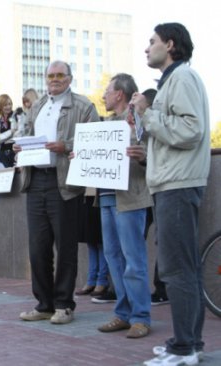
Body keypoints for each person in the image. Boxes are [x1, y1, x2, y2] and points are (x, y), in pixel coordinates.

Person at [130, 23, 210, 366]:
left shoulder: (182, 79)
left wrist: (147, 115)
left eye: (153, 42)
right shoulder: (172, 81)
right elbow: (174, 137)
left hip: (178, 186)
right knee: (182, 268)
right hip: (172, 183)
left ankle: (185, 348)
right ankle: (187, 342)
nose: (147, 48)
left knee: (178, 269)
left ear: (171, 44)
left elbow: (191, 130)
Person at [16, 60, 99, 324]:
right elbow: (26, 133)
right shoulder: (38, 105)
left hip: (64, 182)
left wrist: (66, 145)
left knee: (65, 246)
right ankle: (44, 304)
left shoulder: (83, 106)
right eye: (50, 75)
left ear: (70, 78)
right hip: (35, 180)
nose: (54, 79)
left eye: (60, 74)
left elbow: (95, 139)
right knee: (38, 247)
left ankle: (64, 304)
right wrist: (20, 146)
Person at [96, 73, 153, 339]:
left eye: (107, 91)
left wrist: (143, 157)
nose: (104, 95)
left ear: (119, 94)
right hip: (106, 196)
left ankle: (141, 317)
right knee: (114, 259)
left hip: (130, 197)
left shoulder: (136, 121)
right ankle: (123, 313)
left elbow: (151, 153)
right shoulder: (104, 124)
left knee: (133, 259)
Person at [142, 88, 169, 307]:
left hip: (161, 186)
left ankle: (162, 288)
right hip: (150, 187)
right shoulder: (144, 123)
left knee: (165, 239)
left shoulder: (155, 120)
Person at [75, 188, 109, 297]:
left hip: (101, 194)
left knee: (100, 241)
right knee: (91, 241)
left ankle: (102, 280)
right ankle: (91, 280)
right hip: (85, 194)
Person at [0, 94, 18, 167]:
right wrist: (11, 132)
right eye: (5, 105)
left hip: (15, 153)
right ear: (0, 106)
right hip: (2, 155)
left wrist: (2, 136)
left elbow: (17, 135)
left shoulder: (17, 118)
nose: (8, 107)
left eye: (10, 104)